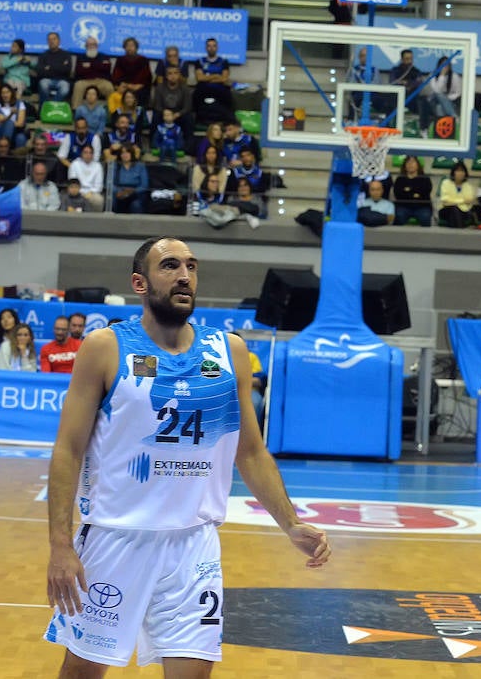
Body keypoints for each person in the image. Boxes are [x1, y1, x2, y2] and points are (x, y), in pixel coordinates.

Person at [44, 237, 330, 671]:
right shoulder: (105, 347)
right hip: (116, 539)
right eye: (170, 265)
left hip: (194, 546)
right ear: (139, 283)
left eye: (192, 267)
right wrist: (61, 546)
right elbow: (68, 450)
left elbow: (250, 453)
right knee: (81, 672)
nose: (184, 275)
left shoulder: (229, 350)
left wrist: (290, 523)